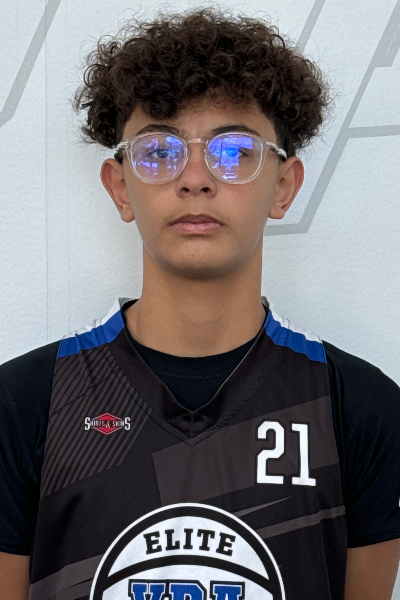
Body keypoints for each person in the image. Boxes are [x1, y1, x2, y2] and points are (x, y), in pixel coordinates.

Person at [1, 6, 400, 600]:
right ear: (120, 187)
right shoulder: (26, 402)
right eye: (159, 151)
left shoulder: (358, 407)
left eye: (234, 151)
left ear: (284, 186)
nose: (195, 179)